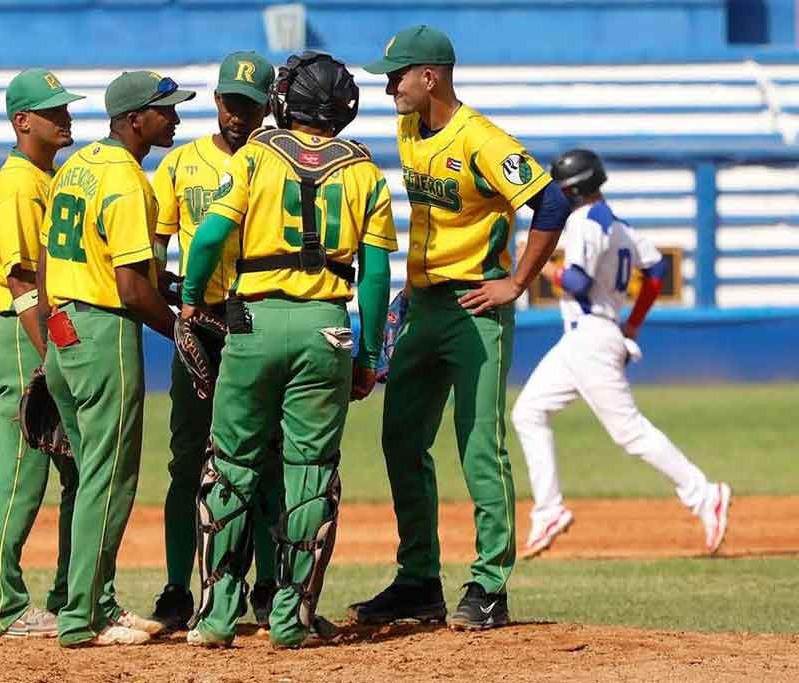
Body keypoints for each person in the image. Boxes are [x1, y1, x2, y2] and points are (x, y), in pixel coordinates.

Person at [349, 25, 569, 631]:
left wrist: (516, 282)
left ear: (430, 76)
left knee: (479, 446)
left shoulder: (483, 140)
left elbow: (552, 204)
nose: (388, 87)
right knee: (401, 440)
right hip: (422, 306)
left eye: (396, 76)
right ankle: (419, 580)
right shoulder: (409, 128)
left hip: (475, 307)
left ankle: (490, 585)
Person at [180, 51, 396, 648]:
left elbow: (210, 236)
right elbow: (376, 275)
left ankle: (216, 617)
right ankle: (291, 618)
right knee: (311, 472)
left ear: (286, 102)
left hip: (253, 321)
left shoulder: (255, 155)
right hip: (327, 327)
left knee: (230, 466)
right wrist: (369, 356)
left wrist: (193, 300)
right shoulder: (365, 171)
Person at [511, 148, 731, 558]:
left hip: (590, 338)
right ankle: (549, 510)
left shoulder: (583, 222)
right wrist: (633, 324)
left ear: (572, 191)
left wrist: (540, 264)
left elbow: (577, 282)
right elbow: (657, 270)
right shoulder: (618, 224)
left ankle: (704, 494)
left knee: (630, 432)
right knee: (528, 412)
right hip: (588, 337)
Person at [39, 71, 194, 647]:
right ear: (134, 119)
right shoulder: (128, 180)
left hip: (66, 327)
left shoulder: (76, 165)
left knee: (89, 477)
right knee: (110, 478)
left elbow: (48, 256)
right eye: (164, 110)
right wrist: (179, 332)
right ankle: (83, 618)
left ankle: (96, 600)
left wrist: (54, 329)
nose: (173, 118)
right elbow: (130, 289)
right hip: (105, 332)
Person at [148, 51, 283, 632]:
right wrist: (169, 291)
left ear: (267, 106)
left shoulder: (279, 160)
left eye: (249, 104)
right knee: (188, 458)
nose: (237, 114)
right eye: (230, 101)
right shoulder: (180, 164)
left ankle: (269, 583)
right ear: (218, 99)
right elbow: (156, 246)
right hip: (202, 321)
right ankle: (179, 587)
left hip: (257, 318)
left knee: (266, 459)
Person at [0, 68, 82, 639]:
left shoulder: (47, 176)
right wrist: (53, 355)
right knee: (22, 471)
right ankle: (2, 607)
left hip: (45, 331)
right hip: (23, 336)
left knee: (76, 466)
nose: (66, 117)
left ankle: (71, 595)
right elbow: (21, 282)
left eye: (64, 107)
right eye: (53, 111)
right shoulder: (18, 184)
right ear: (23, 121)